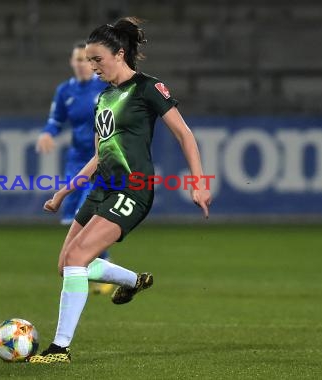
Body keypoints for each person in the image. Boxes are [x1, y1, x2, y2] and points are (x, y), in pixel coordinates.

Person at [29, 17, 212, 364]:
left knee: (78, 260)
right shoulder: (103, 99)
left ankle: (60, 348)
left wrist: (198, 182)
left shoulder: (148, 89)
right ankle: (131, 281)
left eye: (96, 59)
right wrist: (64, 193)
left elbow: (185, 135)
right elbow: (99, 156)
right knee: (67, 264)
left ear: (120, 53)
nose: (91, 66)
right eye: (88, 60)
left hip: (133, 189)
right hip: (102, 189)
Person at [35, 41, 114, 295]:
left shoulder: (104, 88)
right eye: (77, 60)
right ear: (71, 62)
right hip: (75, 160)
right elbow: (55, 121)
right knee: (71, 217)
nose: (81, 64)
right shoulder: (64, 91)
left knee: (87, 213)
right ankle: (98, 265)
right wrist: (47, 134)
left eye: (86, 60)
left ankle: (100, 267)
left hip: (100, 159)